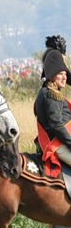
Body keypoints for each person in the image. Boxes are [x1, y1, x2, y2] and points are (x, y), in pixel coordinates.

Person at [35, 35, 71, 178]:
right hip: (57, 144)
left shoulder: (48, 91)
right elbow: (56, 124)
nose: (64, 77)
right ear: (51, 76)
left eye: (65, 74)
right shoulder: (51, 94)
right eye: (60, 74)